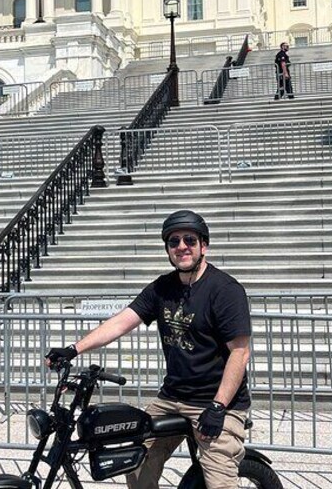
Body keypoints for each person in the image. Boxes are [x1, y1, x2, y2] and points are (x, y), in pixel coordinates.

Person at [45, 210, 252, 489]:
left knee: (220, 481)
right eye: (173, 241)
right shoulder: (162, 287)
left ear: (204, 245)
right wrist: (73, 349)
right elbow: (121, 322)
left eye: (189, 240)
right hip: (172, 397)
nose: (181, 247)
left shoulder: (225, 290)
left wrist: (218, 406)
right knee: (138, 465)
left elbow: (240, 352)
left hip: (217, 401)